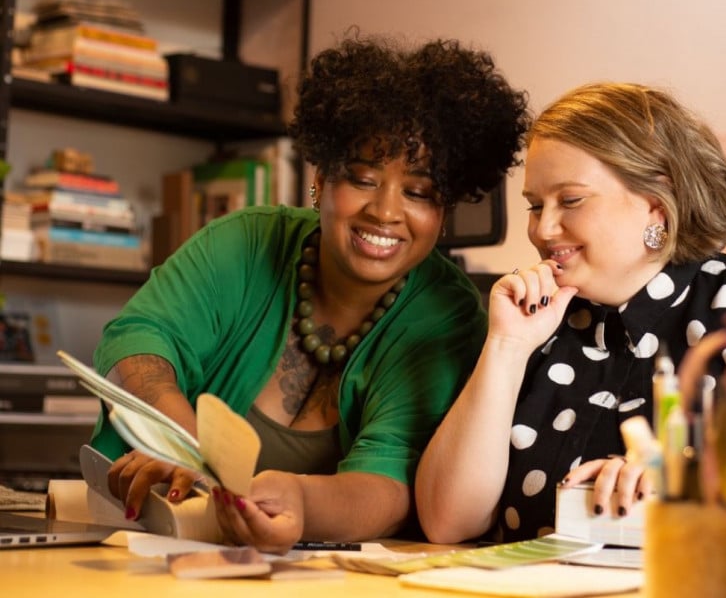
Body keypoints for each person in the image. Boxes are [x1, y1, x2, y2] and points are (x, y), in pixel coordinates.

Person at [91, 33, 530, 553]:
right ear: (320, 178)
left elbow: (391, 484)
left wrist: (299, 502)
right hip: (145, 549)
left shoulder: (448, 316)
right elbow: (137, 340)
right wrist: (189, 449)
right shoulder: (247, 241)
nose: (386, 212)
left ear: (445, 210)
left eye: (419, 192)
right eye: (363, 179)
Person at [414, 81, 726, 544]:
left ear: (657, 206)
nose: (543, 228)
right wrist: (507, 347)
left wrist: (687, 481)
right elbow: (447, 522)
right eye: (535, 206)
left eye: (570, 200)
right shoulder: (536, 324)